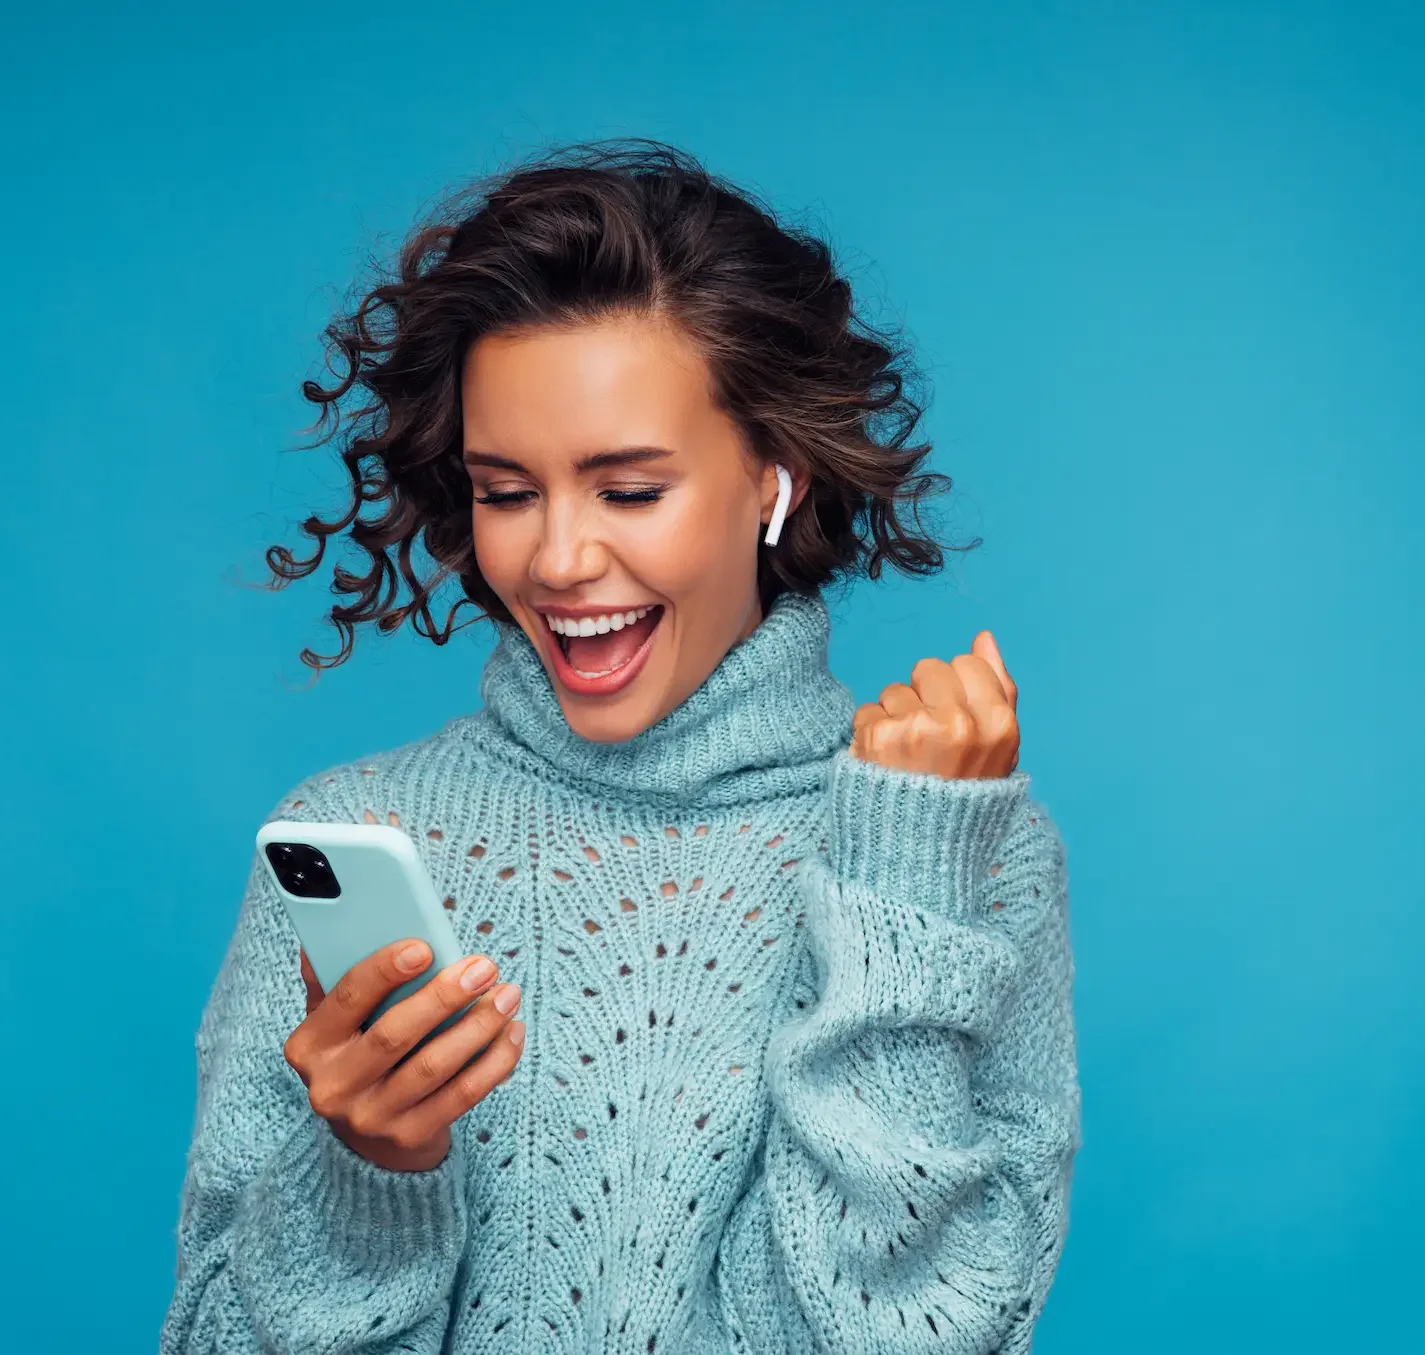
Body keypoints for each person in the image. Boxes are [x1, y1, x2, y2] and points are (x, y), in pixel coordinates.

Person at [161, 139, 1080, 1355]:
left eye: (628, 489)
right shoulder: (360, 832)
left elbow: (921, 1335)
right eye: (506, 490)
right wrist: (368, 1171)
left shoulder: (961, 846)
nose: (554, 559)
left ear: (773, 480)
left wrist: (900, 888)